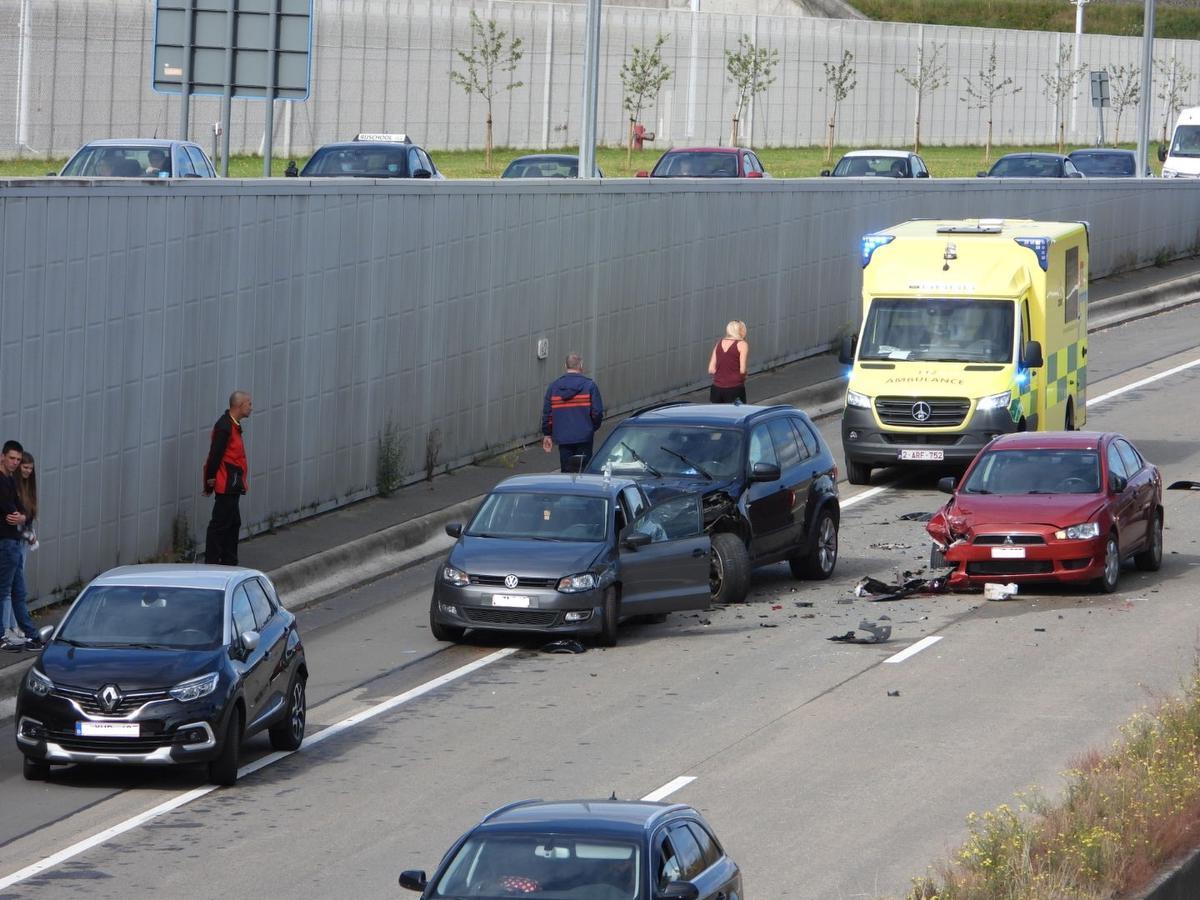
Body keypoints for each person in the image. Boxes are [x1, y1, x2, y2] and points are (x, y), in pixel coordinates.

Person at [0, 440, 43, 651]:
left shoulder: (10, 481)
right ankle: (3, 635)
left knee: (18, 591)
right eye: (12, 459)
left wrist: (23, 519)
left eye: (19, 459)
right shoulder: (3, 481)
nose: (16, 463)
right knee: (5, 590)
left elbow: (20, 512)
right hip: (7, 541)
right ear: (2, 456)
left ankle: (31, 634)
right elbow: (11, 512)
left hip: (14, 542)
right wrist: (21, 518)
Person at [203, 391, 252, 565]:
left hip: (233, 483)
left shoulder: (234, 425)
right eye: (249, 404)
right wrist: (209, 484)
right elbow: (214, 457)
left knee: (233, 523)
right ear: (239, 406)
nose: (251, 408)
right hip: (226, 484)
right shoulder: (224, 427)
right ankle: (212, 563)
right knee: (220, 525)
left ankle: (229, 562)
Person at [541, 353, 604, 473]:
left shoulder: (553, 388)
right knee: (584, 472)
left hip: (563, 438)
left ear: (565, 365)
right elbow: (597, 412)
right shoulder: (590, 386)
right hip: (584, 437)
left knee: (566, 473)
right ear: (581, 365)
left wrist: (547, 434)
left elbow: (547, 414)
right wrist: (591, 428)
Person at [707, 320, 749, 403]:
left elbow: (711, 369)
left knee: (718, 415)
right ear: (741, 331)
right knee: (736, 414)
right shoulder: (742, 344)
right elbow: (742, 370)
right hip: (734, 388)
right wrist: (745, 376)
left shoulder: (719, 343)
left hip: (717, 389)